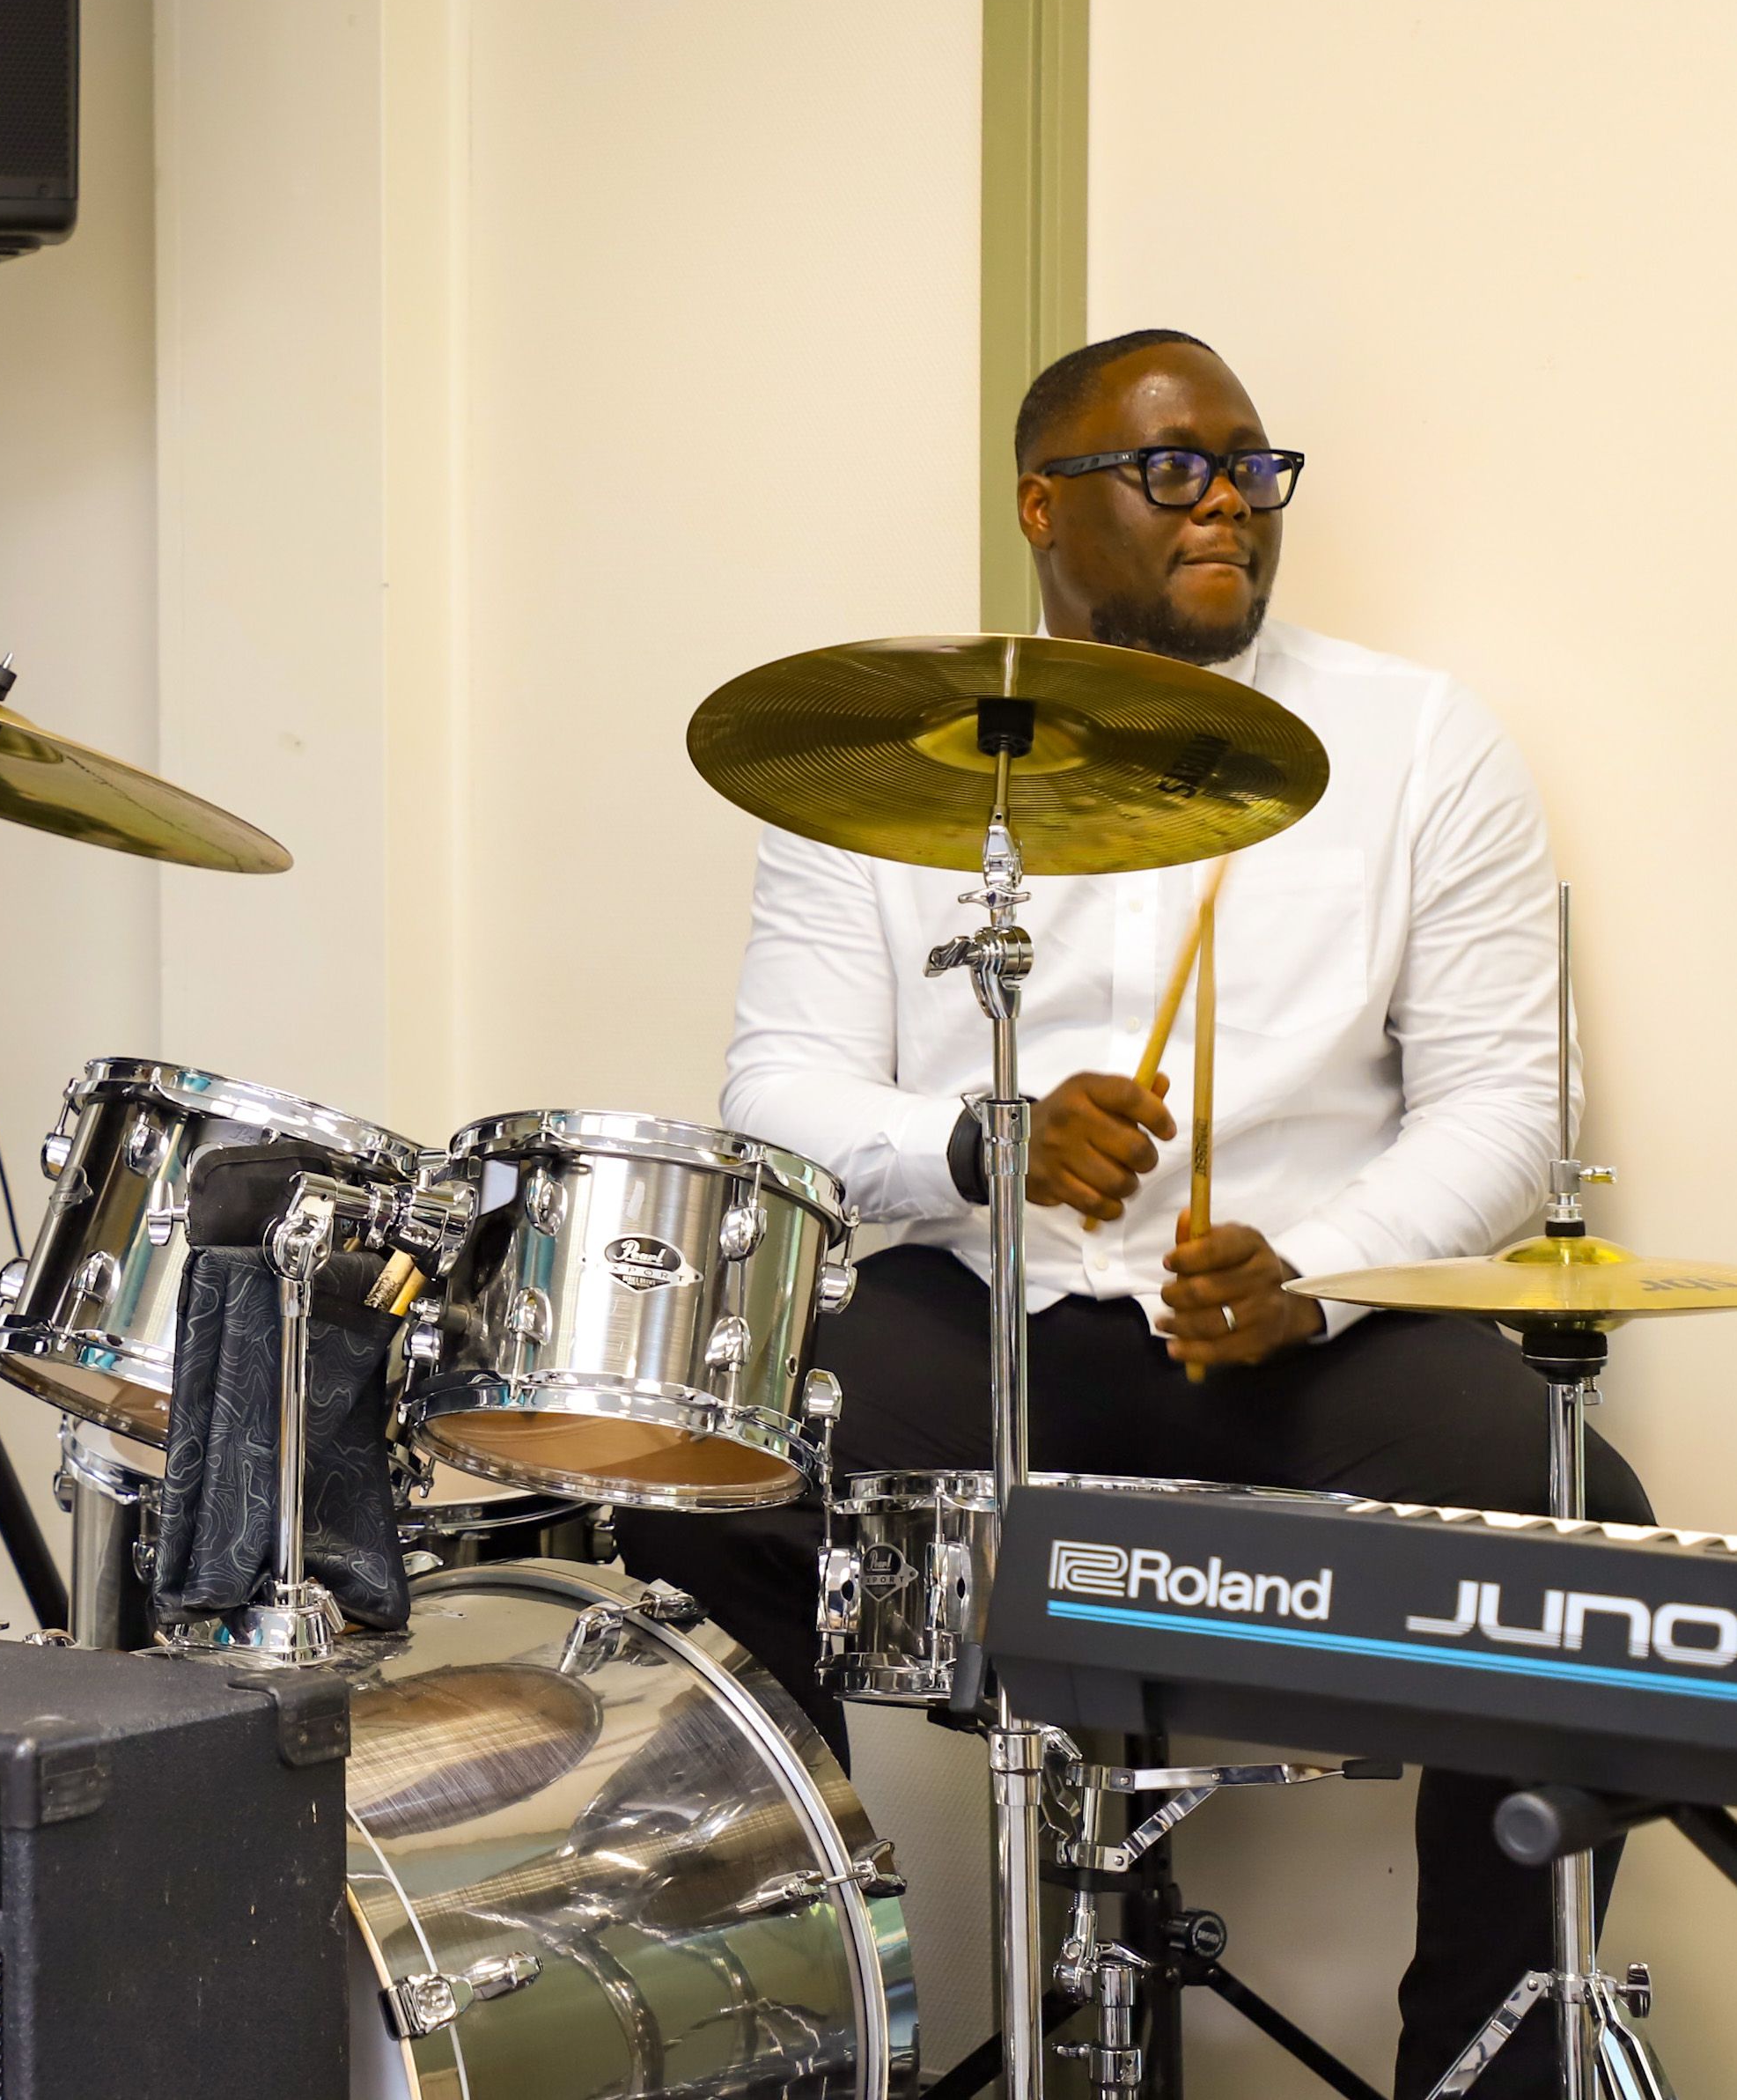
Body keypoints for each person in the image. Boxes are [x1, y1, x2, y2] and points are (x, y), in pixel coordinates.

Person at [616, 328, 1645, 2096]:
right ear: (1043, 505)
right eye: (1173, 469)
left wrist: (1311, 1276)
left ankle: (1490, 2075)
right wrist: (979, 1146)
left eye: (1251, 467)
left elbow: (1501, 1103)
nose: (1226, 504)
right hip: (979, 1309)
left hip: (1303, 1338)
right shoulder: (864, 759)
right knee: (705, 1495)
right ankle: (787, 2042)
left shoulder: (1416, 741)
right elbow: (774, 1088)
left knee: (1578, 1544)